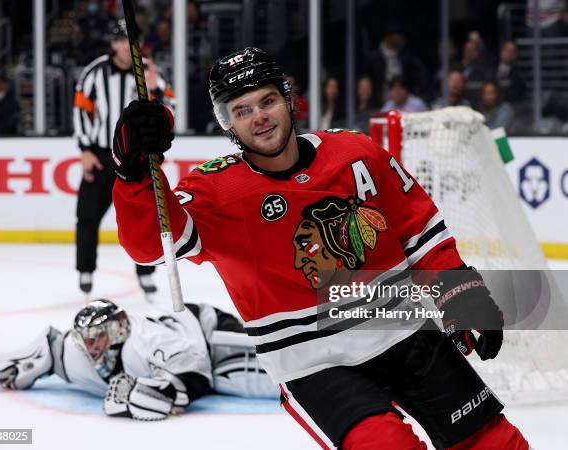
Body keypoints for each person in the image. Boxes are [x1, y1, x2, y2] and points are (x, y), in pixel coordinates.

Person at [110, 47, 528, 448]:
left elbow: (420, 233)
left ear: (289, 101)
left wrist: (460, 295)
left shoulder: (355, 152)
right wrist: (134, 173)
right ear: (228, 124)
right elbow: (149, 246)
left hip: (405, 333)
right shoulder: (214, 190)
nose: (260, 117)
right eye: (243, 110)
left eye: (267, 100)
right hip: (314, 362)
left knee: (494, 444)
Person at [0, 299, 277, 420]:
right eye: (85, 337)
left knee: (263, 373)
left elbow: (197, 376)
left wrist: (161, 393)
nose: (91, 345)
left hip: (207, 330)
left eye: (99, 335)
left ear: (118, 327)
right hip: (182, 343)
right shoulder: (78, 350)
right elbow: (49, 347)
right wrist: (21, 366)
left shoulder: (149, 342)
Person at [72, 19, 175, 298]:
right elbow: (81, 111)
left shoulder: (152, 73)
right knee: (87, 216)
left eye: (129, 40)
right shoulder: (94, 73)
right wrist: (85, 150)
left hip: (137, 159)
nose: (124, 47)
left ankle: (146, 271)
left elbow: (168, 111)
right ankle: (85, 270)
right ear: (112, 44)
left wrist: (153, 89)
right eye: (119, 40)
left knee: (143, 217)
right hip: (102, 156)